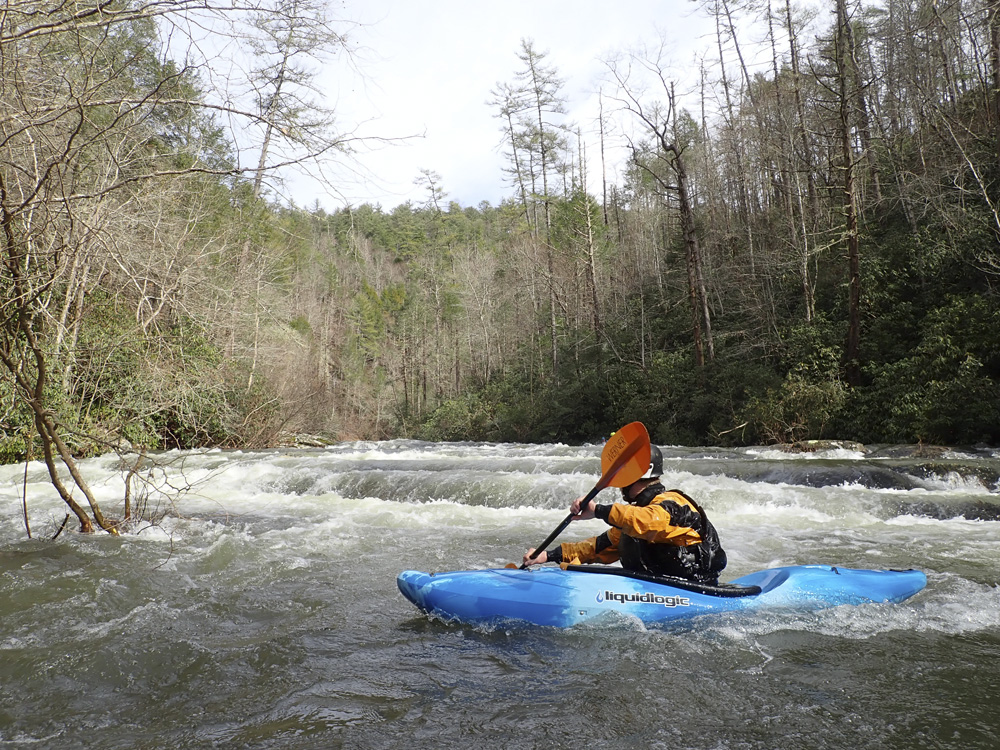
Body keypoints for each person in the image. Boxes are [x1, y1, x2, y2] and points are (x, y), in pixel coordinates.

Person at [522, 445, 727, 584]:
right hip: (659, 586)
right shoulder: (637, 515)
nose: (620, 485)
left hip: (695, 587)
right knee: (625, 539)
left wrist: (598, 511)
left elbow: (647, 522)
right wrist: (548, 556)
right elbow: (597, 547)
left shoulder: (672, 504)